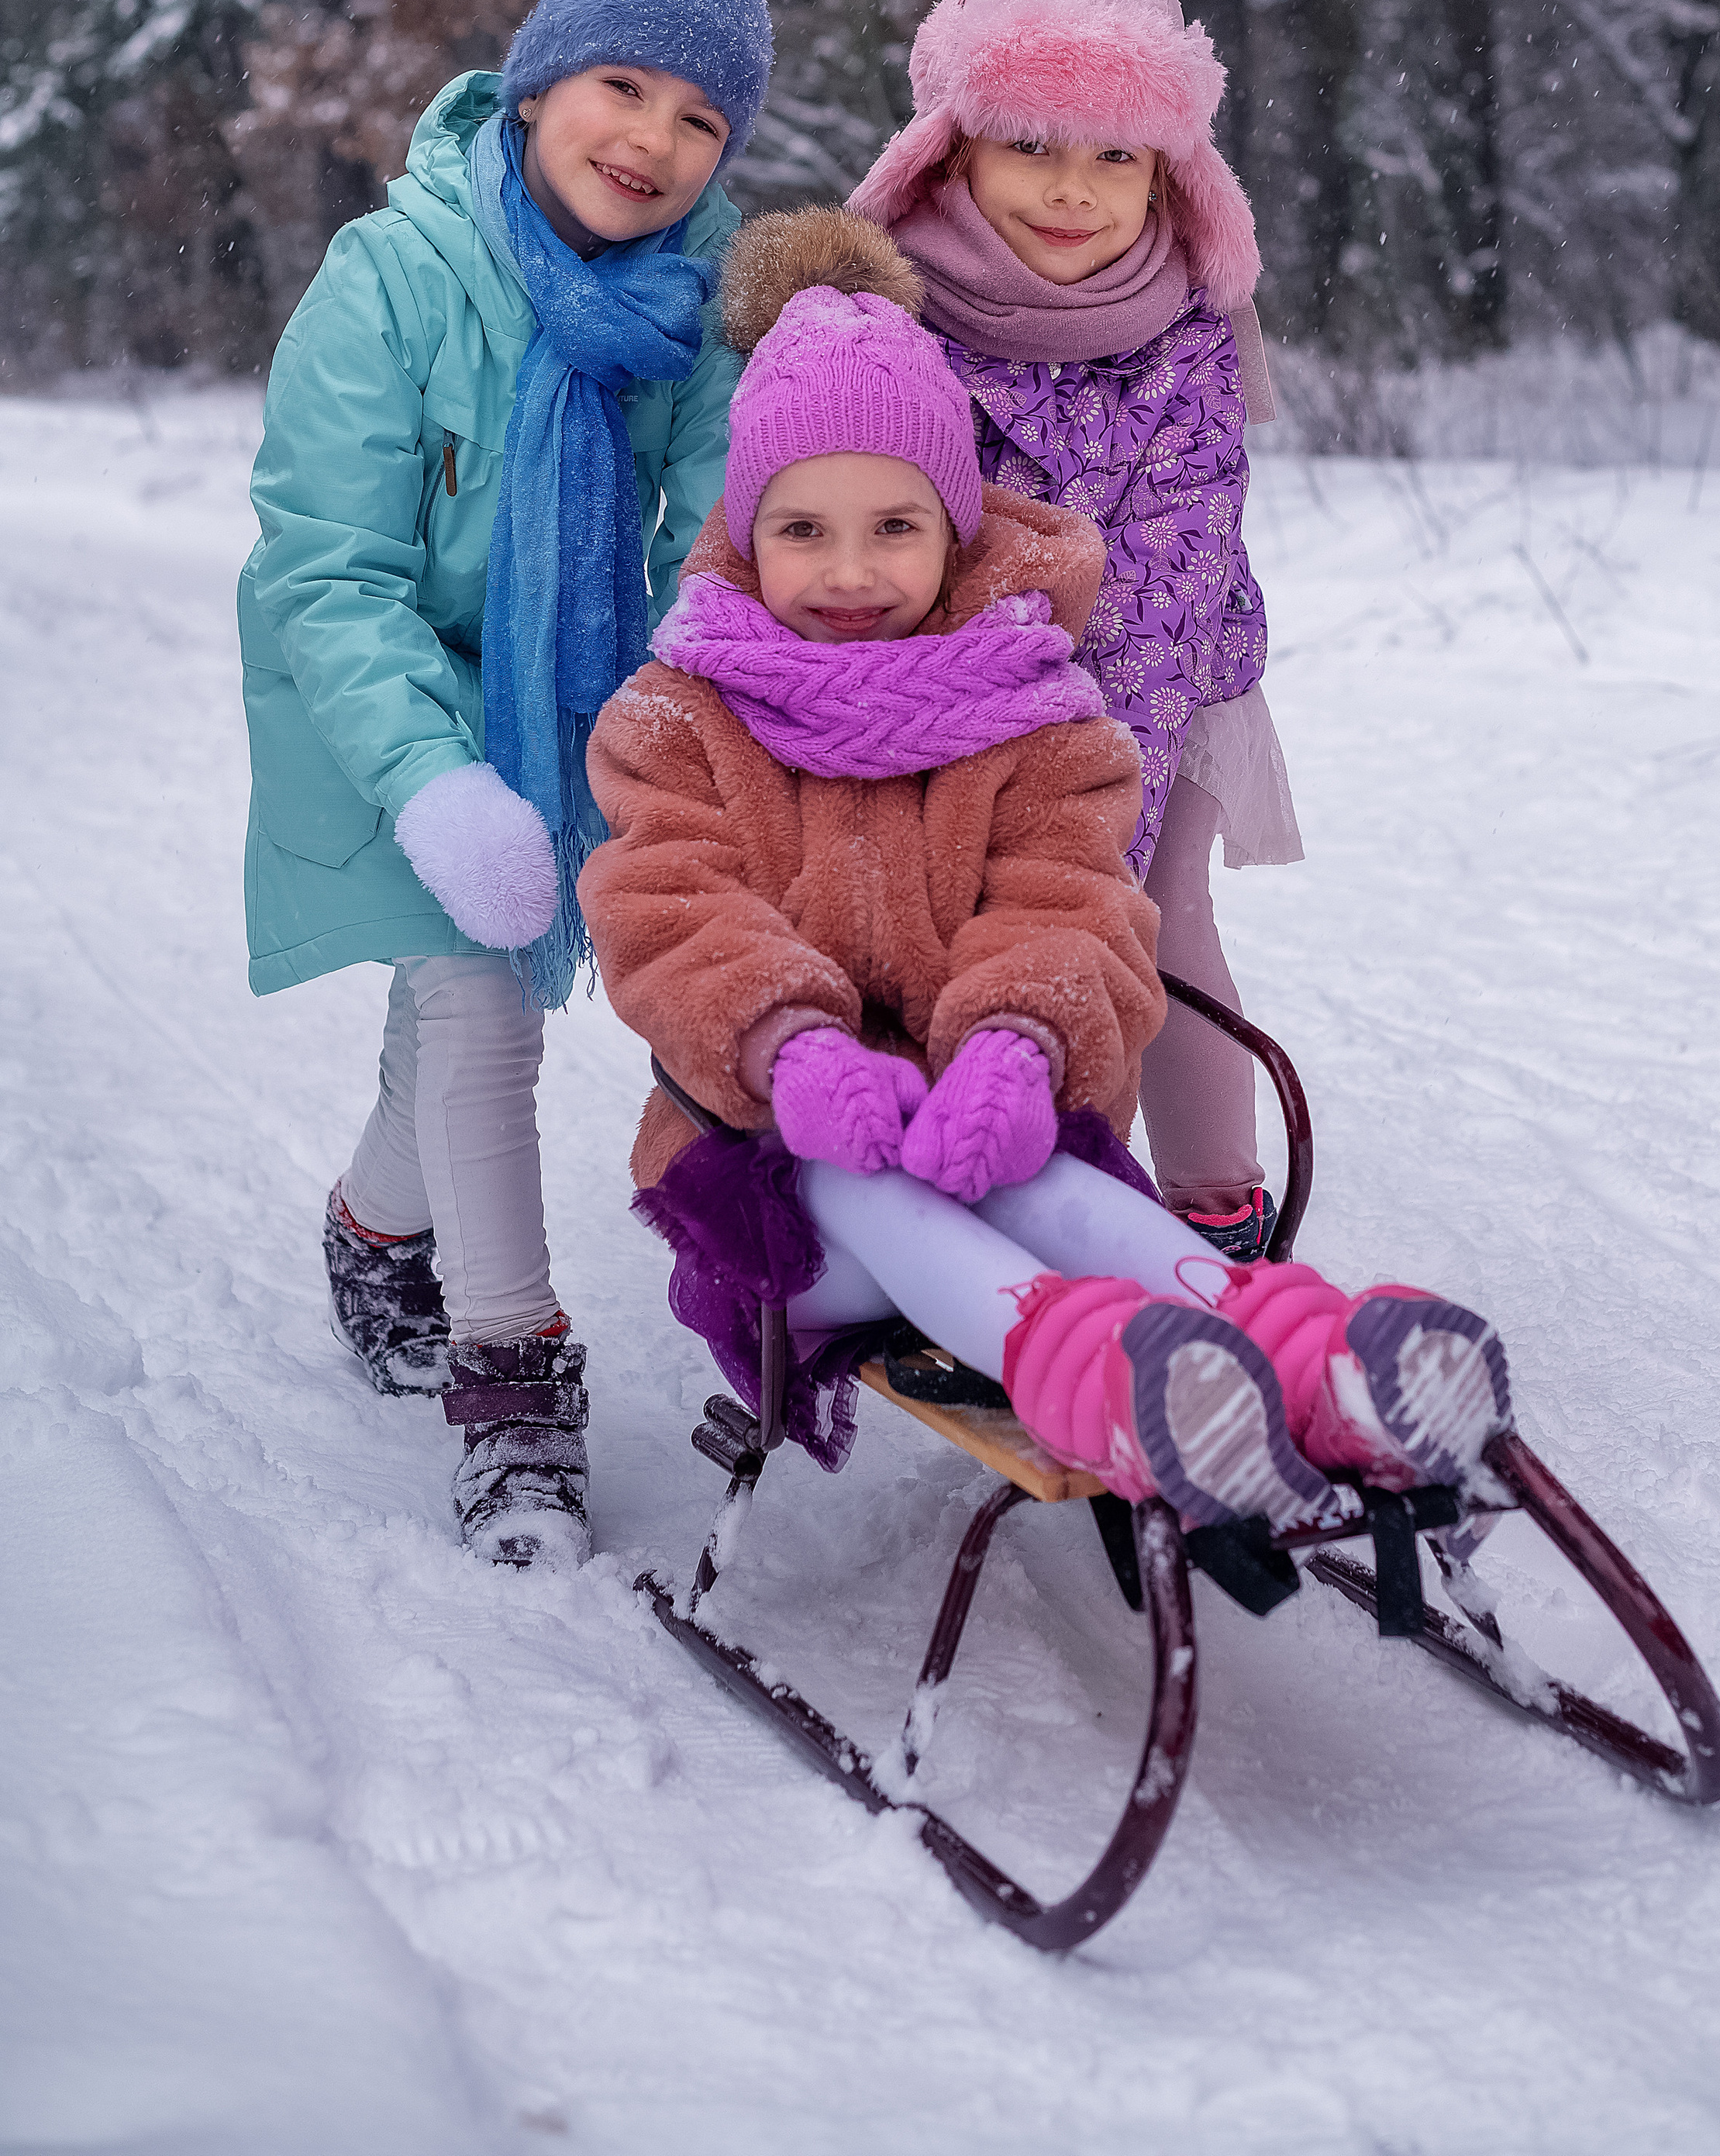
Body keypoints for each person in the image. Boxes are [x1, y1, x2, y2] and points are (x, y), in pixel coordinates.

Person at [579, 209, 1509, 1525]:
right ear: (748, 529)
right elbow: (668, 906)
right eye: (805, 530)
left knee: (1055, 1184)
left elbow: (1069, 897)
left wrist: (1018, 1043)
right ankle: (1124, 1392)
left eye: (895, 526)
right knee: (878, 1187)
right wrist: (790, 1046)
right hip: (774, 1184)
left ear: (955, 528)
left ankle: (1299, 1353)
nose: (851, 571)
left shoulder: (1036, 710)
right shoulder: (681, 720)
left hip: (980, 1120)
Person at [239, 0, 772, 1568]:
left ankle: (372, 1229)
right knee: (479, 998)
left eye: (702, 119)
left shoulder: (689, 300)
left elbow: (723, 525)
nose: (656, 142)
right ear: (536, 84)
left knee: (449, 1003)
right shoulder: (390, 277)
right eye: (624, 85)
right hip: (382, 694)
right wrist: (433, 777)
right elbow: (331, 571)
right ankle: (512, 1378)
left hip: (573, 695)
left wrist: (679, 705)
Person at [845, 0, 1300, 1258]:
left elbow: (1180, 556)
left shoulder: (1187, 323)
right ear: (955, 147)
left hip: (1166, 683)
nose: (1074, 192)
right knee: (953, 936)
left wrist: (1089, 815)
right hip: (947, 694)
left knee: (1142, 924)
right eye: (1036, 143)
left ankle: (1214, 1212)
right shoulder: (893, 311)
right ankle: (975, 1180)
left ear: (1170, 172)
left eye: (1119, 159)